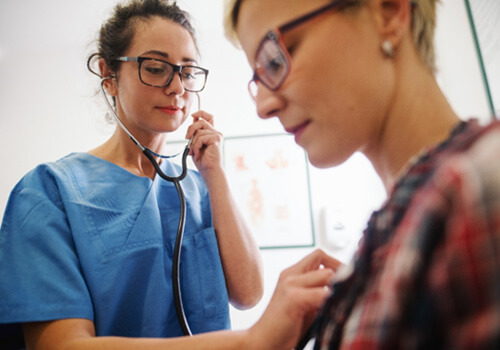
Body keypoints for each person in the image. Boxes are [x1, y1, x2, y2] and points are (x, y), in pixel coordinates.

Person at [222, 0, 500, 348]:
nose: (263, 106)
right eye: (258, 77)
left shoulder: (479, 184)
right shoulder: (393, 230)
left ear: (388, 11)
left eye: (276, 59)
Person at [0, 0, 268, 347]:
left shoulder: (202, 185)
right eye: (156, 68)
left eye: (186, 71)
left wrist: (215, 173)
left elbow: (248, 294)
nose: (177, 88)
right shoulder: (49, 192)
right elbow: (62, 345)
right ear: (108, 76)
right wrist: (244, 343)